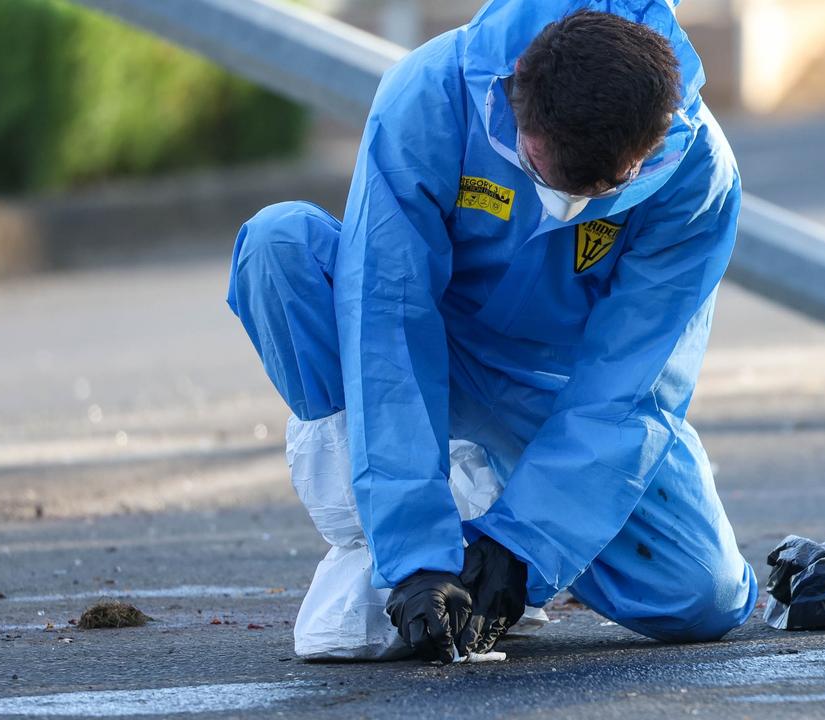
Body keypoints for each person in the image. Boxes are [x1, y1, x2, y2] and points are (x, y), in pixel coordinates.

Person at [227, 0, 756, 664]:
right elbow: (388, 319)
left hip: (546, 388)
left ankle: (488, 503)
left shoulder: (696, 173)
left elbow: (630, 387)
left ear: (648, 144)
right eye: (545, 171)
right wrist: (416, 556)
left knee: (699, 595)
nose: (566, 203)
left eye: (599, 190)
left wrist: (522, 551)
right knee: (281, 247)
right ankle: (383, 541)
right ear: (516, 100)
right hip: (432, 341)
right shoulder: (432, 95)